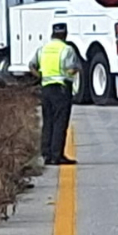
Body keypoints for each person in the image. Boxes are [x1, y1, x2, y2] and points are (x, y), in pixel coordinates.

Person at [28, 23, 81, 166]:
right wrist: (73, 72)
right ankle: (57, 155)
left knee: (48, 121)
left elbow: (31, 65)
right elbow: (71, 69)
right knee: (60, 122)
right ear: (65, 34)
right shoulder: (67, 49)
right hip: (61, 89)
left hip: (45, 89)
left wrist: (40, 76)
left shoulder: (43, 49)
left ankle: (46, 154)